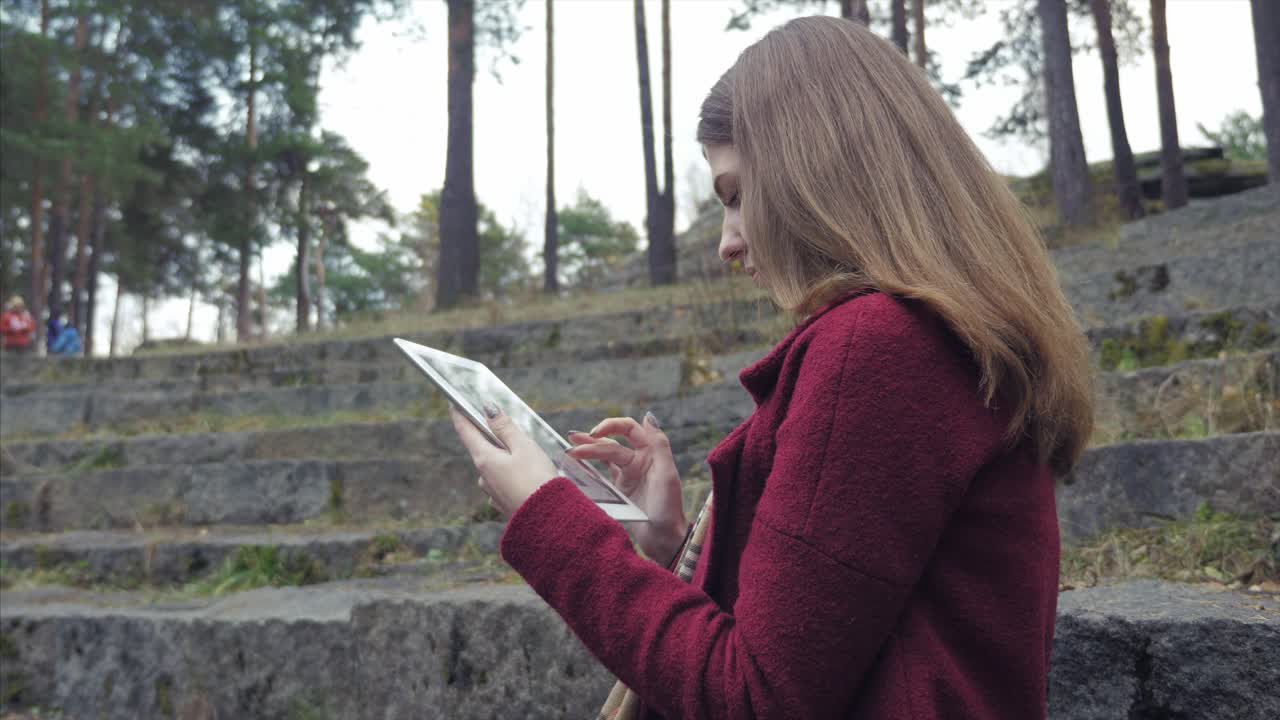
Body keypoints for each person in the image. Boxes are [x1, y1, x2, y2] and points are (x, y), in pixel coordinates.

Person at [449, 16, 1094, 720]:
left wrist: (549, 518)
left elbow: (754, 699)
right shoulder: (923, 340)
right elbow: (822, 640)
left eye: (735, 196)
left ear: (812, 171)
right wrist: (672, 545)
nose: (727, 244)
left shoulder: (878, 348)